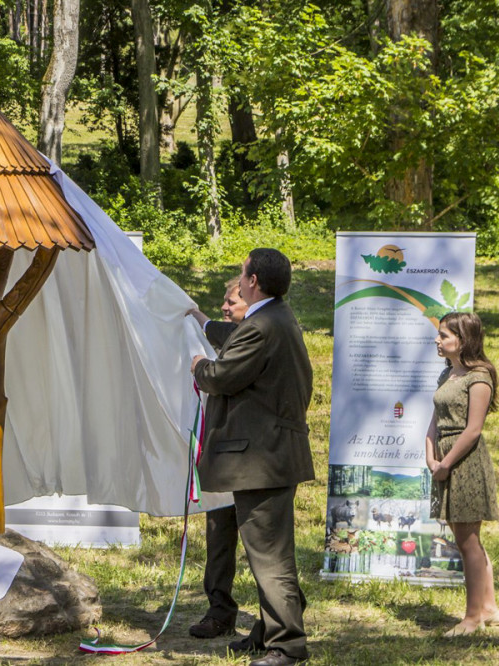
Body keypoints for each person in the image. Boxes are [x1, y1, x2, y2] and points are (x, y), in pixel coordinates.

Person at [190, 248, 313, 666]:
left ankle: (287, 645)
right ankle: (266, 633)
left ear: (253, 280)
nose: (238, 282)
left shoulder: (262, 326)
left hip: (263, 460)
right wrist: (202, 322)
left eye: (242, 276)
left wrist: (198, 366)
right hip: (271, 455)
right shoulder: (277, 318)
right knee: (268, 552)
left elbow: (223, 377)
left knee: (270, 555)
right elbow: (237, 339)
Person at [426, 311, 499, 637]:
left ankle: (472, 618)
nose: (437, 340)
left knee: (467, 541)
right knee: (466, 539)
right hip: (444, 459)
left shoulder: (479, 377)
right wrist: (430, 454)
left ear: (463, 339)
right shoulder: (449, 374)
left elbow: (472, 430)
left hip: (466, 463)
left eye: (444, 335)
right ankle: (489, 608)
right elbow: (435, 418)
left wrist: (446, 463)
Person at [186, 276, 248, 639]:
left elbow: (218, 379)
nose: (225, 308)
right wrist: (192, 312)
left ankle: (284, 615)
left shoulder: (257, 338)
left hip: (254, 463)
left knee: (264, 548)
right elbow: (211, 327)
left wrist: (198, 365)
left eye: (232, 302)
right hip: (222, 458)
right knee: (219, 538)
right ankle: (220, 612)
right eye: (224, 302)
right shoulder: (231, 335)